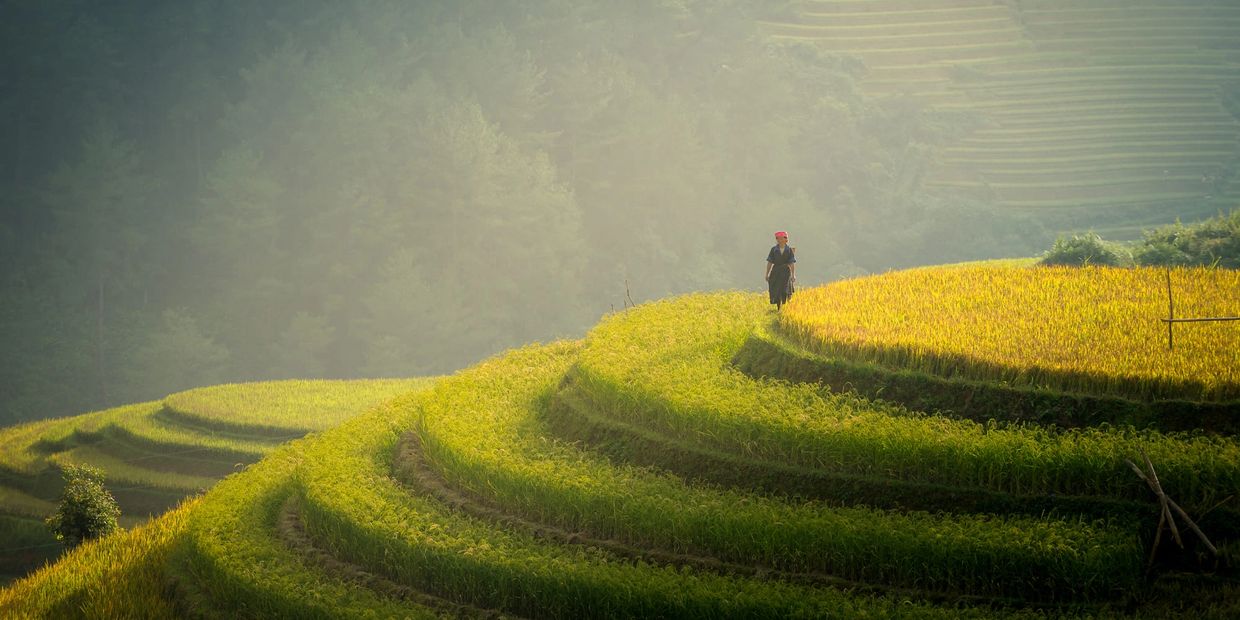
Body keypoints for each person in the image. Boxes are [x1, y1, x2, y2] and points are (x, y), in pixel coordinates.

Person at [765, 230, 796, 310]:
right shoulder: (773, 250)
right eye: (778, 239)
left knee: (784, 289)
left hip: (786, 272)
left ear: (786, 240)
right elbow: (770, 262)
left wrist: (793, 275)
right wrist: (767, 274)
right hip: (776, 271)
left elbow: (792, 263)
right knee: (776, 289)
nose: (780, 240)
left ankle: (785, 307)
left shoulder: (789, 250)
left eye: (782, 238)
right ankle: (779, 307)